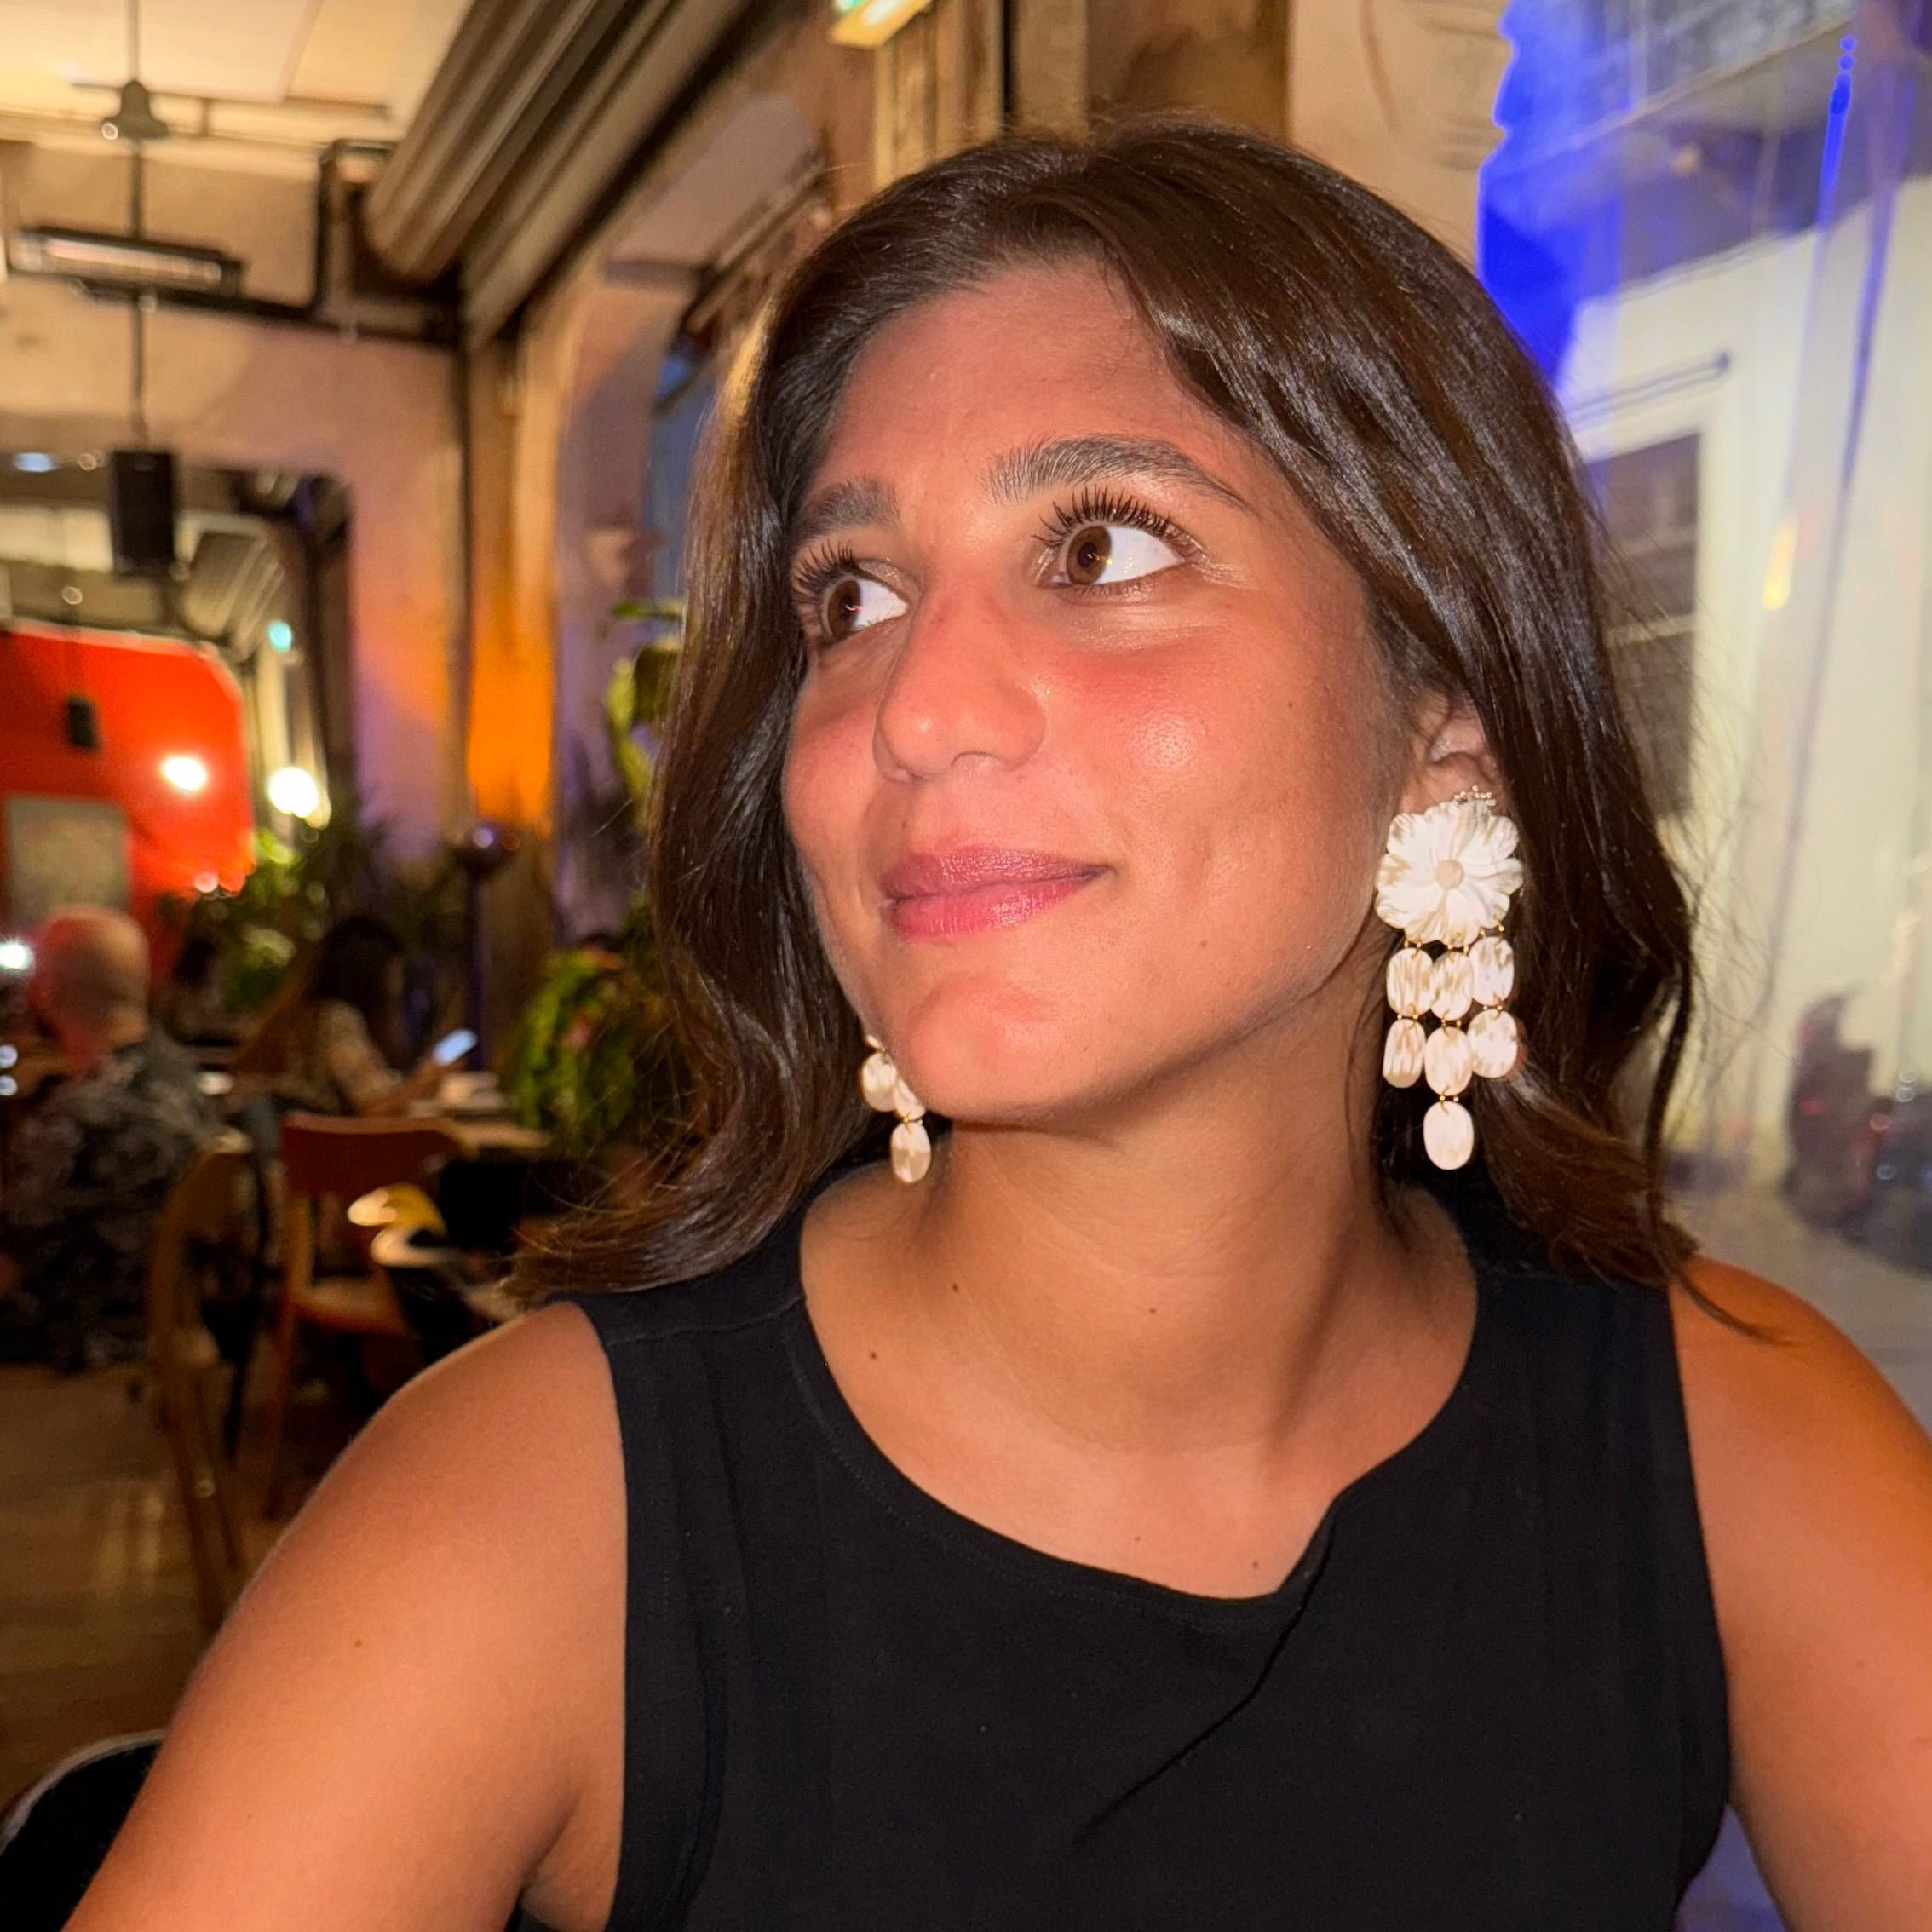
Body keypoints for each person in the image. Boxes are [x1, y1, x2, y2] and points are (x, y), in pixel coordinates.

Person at [73, 125, 1932, 1930]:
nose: (913, 707)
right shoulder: (524, 1529)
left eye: (1104, 548)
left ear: (1443, 706)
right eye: (854, 596)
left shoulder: (1733, 1443)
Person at [0, 909, 216, 1371]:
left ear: (46, 992)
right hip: (168, 1317)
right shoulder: (182, 1082)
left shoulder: (75, 1118)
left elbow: (7, 1263)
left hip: (79, 1330)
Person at [233, 913, 441, 1117]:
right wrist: (425, 1080)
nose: (398, 984)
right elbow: (374, 1108)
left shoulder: (299, 1014)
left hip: (285, 1147)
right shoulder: (337, 1020)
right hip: (323, 1150)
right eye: (395, 971)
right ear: (372, 972)